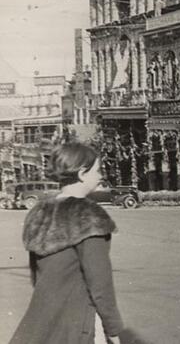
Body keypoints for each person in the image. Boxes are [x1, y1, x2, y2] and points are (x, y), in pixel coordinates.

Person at [10, 142, 124, 344]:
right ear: (82, 173)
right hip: (78, 321)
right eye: (97, 170)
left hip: (41, 319)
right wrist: (113, 330)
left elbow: (36, 276)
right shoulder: (89, 216)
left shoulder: (39, 212)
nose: (100, 176)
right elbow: (100, 284)